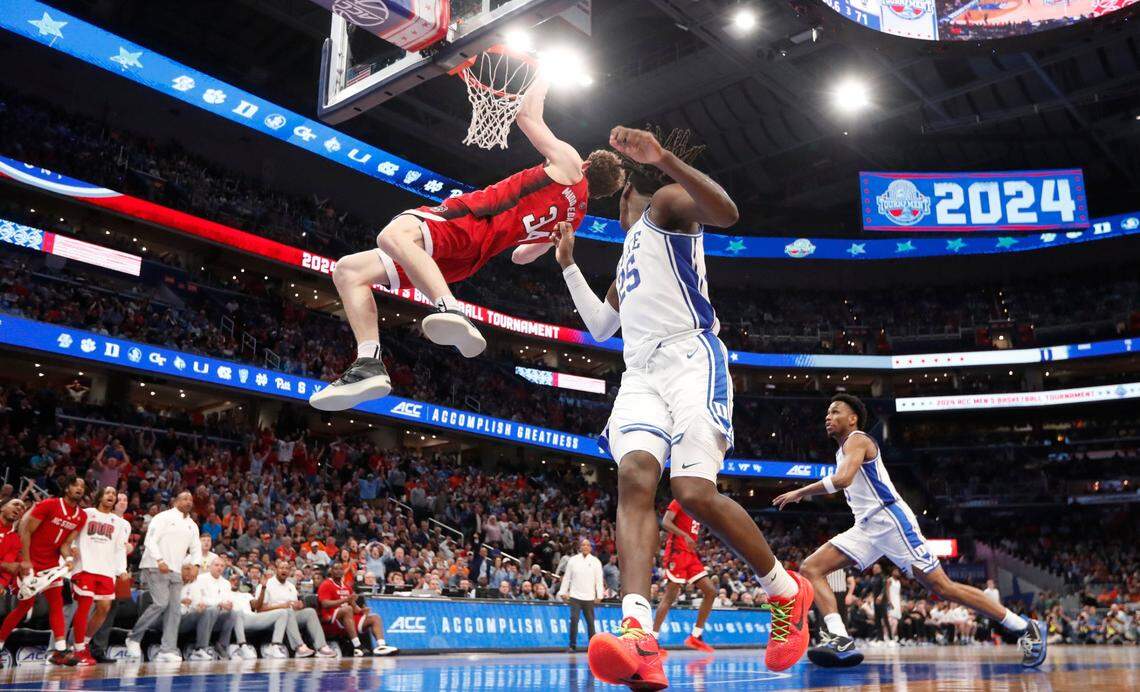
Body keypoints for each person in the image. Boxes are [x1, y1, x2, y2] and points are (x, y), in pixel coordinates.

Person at [552, 126, 812, 689]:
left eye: (619, 200)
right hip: (641, 370)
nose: (616, 209)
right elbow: (602, 327)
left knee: (692, 493)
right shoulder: (625, 257)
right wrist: (569, 265)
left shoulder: (663, 207)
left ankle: (787, 593)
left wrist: (664, 160)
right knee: (634, 476)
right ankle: (639, 633)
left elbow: (728, 214)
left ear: (629, 196)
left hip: (691, 357)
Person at [308, 76, 626, 411]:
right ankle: (368, 363)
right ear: (602, 193)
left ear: (588, 164)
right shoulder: (572, 221)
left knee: (392, 235)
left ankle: (451, 310)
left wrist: (543, 75)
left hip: (472, 219)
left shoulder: (572, 163)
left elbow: (527, 117)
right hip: (471, 258)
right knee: (349, 271)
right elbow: (520, 256)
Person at [774, 394, 1047, 669]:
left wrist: (801, 491)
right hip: (866, 526)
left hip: (890, 521)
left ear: (853, 418)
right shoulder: (842, 449)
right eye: (827, 413)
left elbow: (843, 479)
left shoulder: (857, 439)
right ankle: (840, 637)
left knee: (943, 587)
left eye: (835, 412)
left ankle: (1026, 626)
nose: (828, 417)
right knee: (812, 568)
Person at [0, 476, 87, 666]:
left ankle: (60, 651)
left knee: (56, 605)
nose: (79, 489)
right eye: (75, 485)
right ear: (67, 488)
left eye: (82, 486)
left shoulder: (82, 516)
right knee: (23, 608)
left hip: (51, 566)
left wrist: (69, 559)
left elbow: (65, 544)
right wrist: (27, 561)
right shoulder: (49, 505)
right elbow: (25, 529)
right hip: (29, 561)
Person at [126, 491, 202, 662]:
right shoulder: (163, 517)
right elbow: (150, 540)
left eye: (190, 499)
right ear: (175, 502)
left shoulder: (192, 524)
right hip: (155, 565)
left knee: (174, 610)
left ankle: (166, 649)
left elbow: (196, 547)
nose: (188, 501)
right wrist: (159, 560)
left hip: (175, 570)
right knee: (161, 603)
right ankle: (133, 637)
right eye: (184, 498)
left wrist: (196, 565)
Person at [69, 486, 130, 666]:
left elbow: (120, 548)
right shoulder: (86, 513)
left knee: (104, 607)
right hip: (86, 567)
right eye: (108, 492)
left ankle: (84, 643)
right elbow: (72, 532)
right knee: (84, 607)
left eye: (114, 493)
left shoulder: (118, 522)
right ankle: (78, 649)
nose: (111, 495)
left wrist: (122, 570)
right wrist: (72, 546)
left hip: (107, 570)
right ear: (100, 496)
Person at [651, 499, 717, 653]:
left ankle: (696, 636)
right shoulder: (680, 500)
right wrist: (684, 535)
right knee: (670, 597)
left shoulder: (698, 506)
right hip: (677, 553)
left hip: (690, 555)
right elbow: (665, 522)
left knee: (711, 591)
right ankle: (652, 639)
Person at [253, 559, 337, 658]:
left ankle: (321, 647)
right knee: (287, 611)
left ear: (289, 572)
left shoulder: (291, 586)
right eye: (281, 568)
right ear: (276, 570)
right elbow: (259, 609)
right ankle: (299, 646)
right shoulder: (266, 584)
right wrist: (282, 606)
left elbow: (293, 606)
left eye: (287, 568)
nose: (284, 570)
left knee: (309, 612)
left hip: (289, 616)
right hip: (270, 618)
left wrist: (299, 606)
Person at [317, 563, 397, 657]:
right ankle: (357, 646)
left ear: (343, 572)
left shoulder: (346, 586)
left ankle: (381, 646)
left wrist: (361, 611)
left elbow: (353, 606)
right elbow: (324, 604)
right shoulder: (326, 584)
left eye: (340, 569)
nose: (338, 571)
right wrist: (346, 600)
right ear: (331, 571)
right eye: (335, 569)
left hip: (347, 618)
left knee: (375, 617)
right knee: (347, 609)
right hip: (330, 618)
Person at [180, 557, 235, 660]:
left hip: (216, 613)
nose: (219, 568)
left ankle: (222, 645)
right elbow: (200, 600)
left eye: (222, 566)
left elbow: (227, 600)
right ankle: (200, 648)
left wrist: (227, 604)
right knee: (212, 609)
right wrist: (219, 602)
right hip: (200, 612)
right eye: (216, 565)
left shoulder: (226, 583)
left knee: (233, 613)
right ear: (210, 567)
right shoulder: (200, 579)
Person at [556, 539, 604, 653]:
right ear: (580, 547)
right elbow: (567, 577)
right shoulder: (573, 560)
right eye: (583, 545)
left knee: (590, 623)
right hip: (575, 596)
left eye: (588, 545)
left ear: (590, 548)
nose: (585, 547)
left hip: (589, 597)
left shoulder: (596, 561)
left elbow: (599, 580)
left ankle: (593, 647)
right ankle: (572, 645)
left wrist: (600, 595)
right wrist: (563, 592)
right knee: (574, 620)